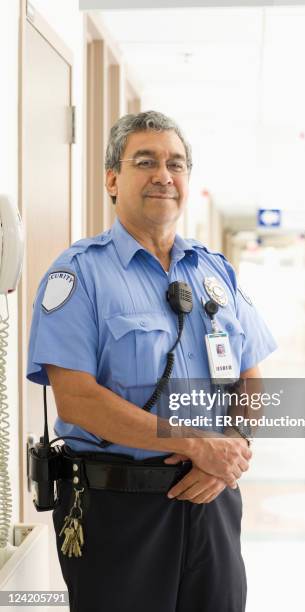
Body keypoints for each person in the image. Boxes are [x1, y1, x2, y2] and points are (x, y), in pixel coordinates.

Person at [26, 111, 277, 612]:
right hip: (117, 510)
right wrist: (195, 444)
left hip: (211, 504)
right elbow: (77, 400)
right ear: (113, 178)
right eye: (146, 161)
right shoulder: (78, 275)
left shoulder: (215, 271)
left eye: (176, 163)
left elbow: (251, 376)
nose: (164, 174)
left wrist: (232, 447)